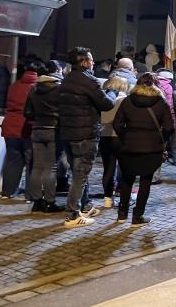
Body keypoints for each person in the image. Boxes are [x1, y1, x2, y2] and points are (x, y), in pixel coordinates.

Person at [58, 47, 117, 228]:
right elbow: (106, 104)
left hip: (68, 133)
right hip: (85, 135)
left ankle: (86, 206)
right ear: (84, 62)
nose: (93, 63)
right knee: (80, 175)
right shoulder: (89, 81)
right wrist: (113, 92)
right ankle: (72, 215)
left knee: (77, 172)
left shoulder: (65, 80)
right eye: (91, 60)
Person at [112, 73, 173, 226]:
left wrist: (125, 136)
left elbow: (117, 124)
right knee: (145, 182)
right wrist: (160, 140)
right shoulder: (161, 103)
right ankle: (137, 215)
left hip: (129, 147)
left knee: (127, 180)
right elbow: (169, 127)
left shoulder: (127, 101)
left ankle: (122, 213)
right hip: (151, 148)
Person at [23, 60, 65, 213]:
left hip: (37, 129)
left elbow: (27, 112)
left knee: (37, 167)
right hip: (53, 129)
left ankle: (36, 201)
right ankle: (49, 201)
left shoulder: (34, 88)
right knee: (51, 167)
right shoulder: (59, 88)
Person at [0, 60, 43, 199]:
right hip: (27, 128)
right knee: (32, 162)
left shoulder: (14, 86)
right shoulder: (37, 88)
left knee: (12, 160)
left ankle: (7, 192)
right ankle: (31, 195)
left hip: (10, 126)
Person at [99, 76, 130, 208]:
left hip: (105, 136)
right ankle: (123, 197)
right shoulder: (125, 100)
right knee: (124, 168)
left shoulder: (103, 100)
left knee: (108, 169)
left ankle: (108, 199)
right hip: (120, 136)